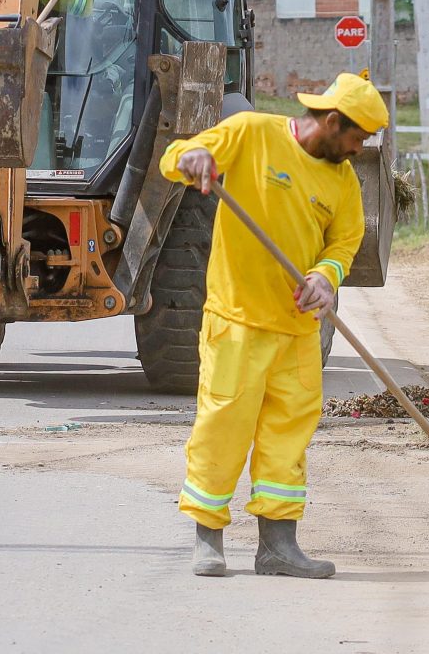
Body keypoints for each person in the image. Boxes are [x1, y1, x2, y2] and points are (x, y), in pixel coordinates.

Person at [160, 72, 388, 579]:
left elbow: (344, 243)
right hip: (237, 320)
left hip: (298, 330)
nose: (359, 149)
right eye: (358, 138)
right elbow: (175, 158)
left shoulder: (343, 181)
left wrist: (326, 276)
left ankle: (278, 547)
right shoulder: (251, 132)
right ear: (333, 122)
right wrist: (192, 158)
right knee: (223, 429)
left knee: (288, 437)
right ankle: (208, 538)